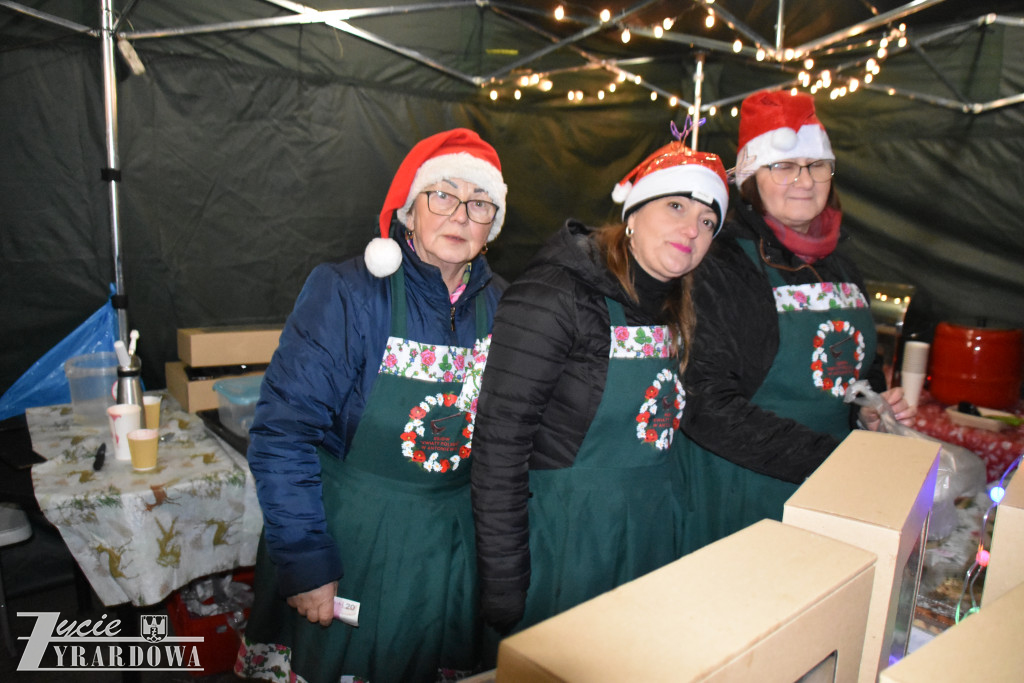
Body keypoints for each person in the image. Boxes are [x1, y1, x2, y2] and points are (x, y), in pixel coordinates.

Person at [237, 128, 509, 683]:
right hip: (351, 540)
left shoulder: (506, 306)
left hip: (448, 554)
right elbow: (283, 434)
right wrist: (306, 560)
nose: (460, 214)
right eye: (443, 195)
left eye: (479, 203)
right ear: (409, 212)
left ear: (493, 225)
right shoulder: (348, 292)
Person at [470, 123, 729, 646]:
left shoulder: (680, 306)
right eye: (675, 207)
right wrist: (504, 581)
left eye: (707, 220)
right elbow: (499, 443)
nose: (692, 230)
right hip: (566, 541)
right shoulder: (556, 293)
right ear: (633, 215)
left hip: (650, 535)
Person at [678, 90, 915, 553]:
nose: (803, 180)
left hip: (828, 491)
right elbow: (705, 402)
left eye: (815, 165)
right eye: (783, 166)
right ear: (751, 178)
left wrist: (867, 409)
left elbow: (859, 369)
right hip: (742, 493)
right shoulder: (723, 261)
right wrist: (831, 457)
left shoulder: (839, 259)